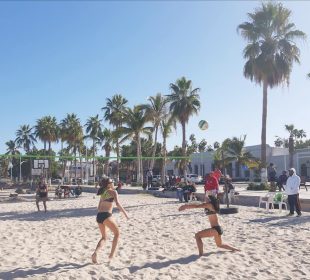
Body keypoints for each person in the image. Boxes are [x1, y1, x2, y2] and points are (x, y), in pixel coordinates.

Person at [92, 177, 129, 263]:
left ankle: (95, 253)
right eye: (112, 182)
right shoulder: (113, 192)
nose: (113, 183)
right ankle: (111, 256)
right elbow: (118, 204)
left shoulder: (103, 192)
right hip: (106, 215)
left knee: (104, 237)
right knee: (117, 233)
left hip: (99, 216)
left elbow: (98, 207)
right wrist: (125, 214)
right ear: (109, 184)